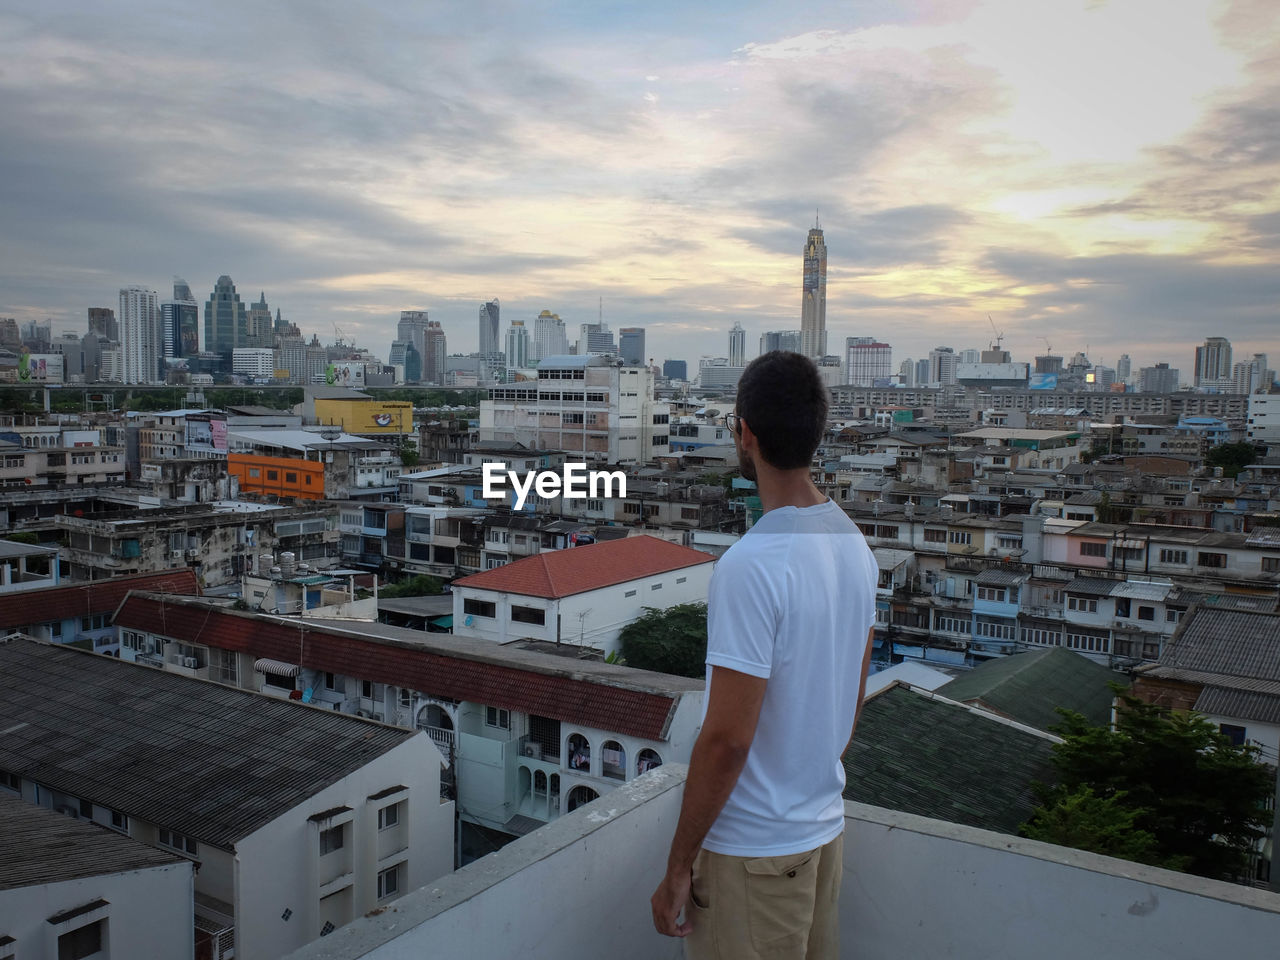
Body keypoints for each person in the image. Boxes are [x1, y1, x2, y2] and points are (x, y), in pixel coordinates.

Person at [650, 351, 877, 959]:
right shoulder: (854, 545)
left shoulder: (751, 564)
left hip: (755, 853)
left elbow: (727, 740)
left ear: (744, 433)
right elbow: (852, 691)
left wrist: (678, 867)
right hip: (822, 831)